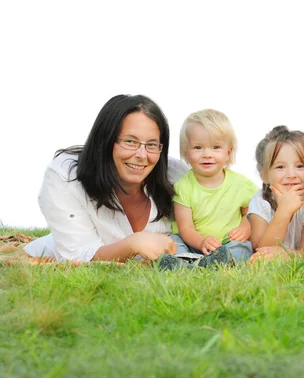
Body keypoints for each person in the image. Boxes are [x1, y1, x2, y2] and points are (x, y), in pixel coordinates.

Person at [24, 94, 188, 262]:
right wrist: (133, 243)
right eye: (130, 141)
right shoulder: (65, 176)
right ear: (105, 140)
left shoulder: (176, 175)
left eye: (152, 144)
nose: (142, 155)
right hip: (61, 247)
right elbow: (76, 255)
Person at [170, 109, 258, 265]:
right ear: (186, 153)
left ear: (228, 153)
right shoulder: (183, 187)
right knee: (174, 241)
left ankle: (222, 261)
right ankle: (186, 262)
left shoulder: (241, 184)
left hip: (227, 243)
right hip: (194, 245)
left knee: (243, 247)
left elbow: (251, 213)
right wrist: (201, 241)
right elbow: (186, 228)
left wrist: (245, 228)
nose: (207, 154)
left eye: (216, 147)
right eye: (198, 148)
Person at [248, 126, 304, 261]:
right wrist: (284, 211)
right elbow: (260, 251)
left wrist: (283, 255)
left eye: (300, 166)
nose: (291, 175)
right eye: (280, 167)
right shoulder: (260, 201)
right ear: (264, 175)